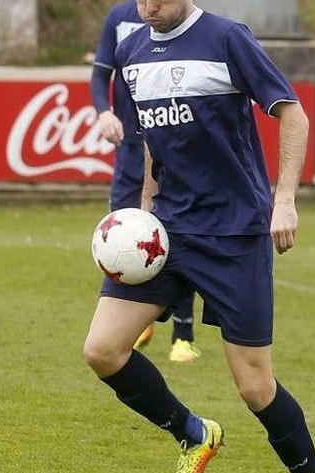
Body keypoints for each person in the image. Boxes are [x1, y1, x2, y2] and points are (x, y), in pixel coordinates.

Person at [83, 1, 315, 473]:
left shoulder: (227, 38)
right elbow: (150, 144)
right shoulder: (132, 49)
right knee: (102, 350)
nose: (148, 7)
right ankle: (193, 435)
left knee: (254, 386)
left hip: (234, 233)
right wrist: (143, 214)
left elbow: (292, 114)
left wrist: (283, 200)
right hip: (167, 231)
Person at [89, 0, 200, 363]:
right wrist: (104, 113)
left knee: (172, 237)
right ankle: (138, 320)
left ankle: (182, 335)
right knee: (123, 237)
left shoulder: (183, 18)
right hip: (130, 151)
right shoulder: (120, 19)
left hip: (169, 148)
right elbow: (99, 75)